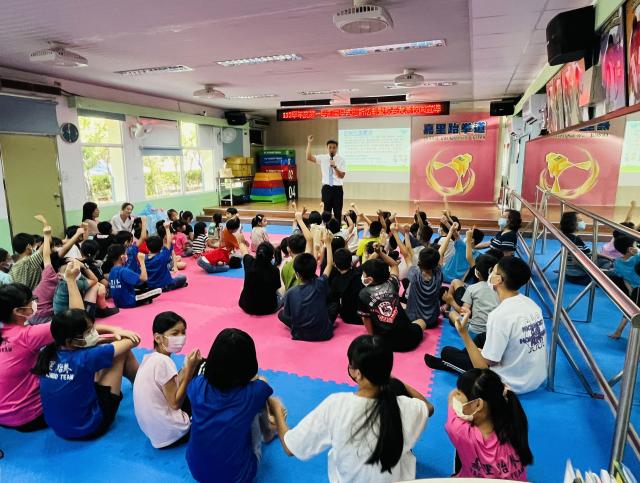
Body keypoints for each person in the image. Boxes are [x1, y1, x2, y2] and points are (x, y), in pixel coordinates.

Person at [268, 335, 433, 482]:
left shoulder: (336, 405)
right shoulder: (404, 405)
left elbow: (290, 448)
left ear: (357, 373)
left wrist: (277, 411)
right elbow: (429, 407)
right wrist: (389, 377)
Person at [33, 308, 140, 440]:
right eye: (89, 331)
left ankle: (137, 382)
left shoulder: (47, 352)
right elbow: (134, 340)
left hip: (58, 429)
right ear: (70, 341)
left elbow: (87, 339)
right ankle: (140, 385)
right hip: (90, 427)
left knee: (105, 352)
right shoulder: (85, 358)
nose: (93, 332)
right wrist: (118, 334)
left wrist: (111, 333)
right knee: (122, 353)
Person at [186, 328, 277, 483]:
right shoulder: (254, 393)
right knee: (255, 401)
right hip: (237, 477)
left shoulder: (197, 384)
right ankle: (268, 431)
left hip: (196, 470)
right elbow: (261, 383)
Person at [451, 257, 547, 394]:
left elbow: (484, 366)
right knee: (481, 339)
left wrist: (463, 333)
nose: (490, 273)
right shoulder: (532, 304)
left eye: (493, 271)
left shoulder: (499, 315)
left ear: (498, 279)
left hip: (510, 384)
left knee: (447, 353)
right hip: (535, 378)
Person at [446, 369, 531, 480]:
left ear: (478, 405)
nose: (456, 394)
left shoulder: (460, 431)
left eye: (459, 394)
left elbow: (451, 398)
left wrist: (456, 398)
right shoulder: (514, 420)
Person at [133, 311, 202, 449]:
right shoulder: (164, 362)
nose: (180, 337)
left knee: (192, 369)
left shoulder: (149, 358)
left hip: (156, 434)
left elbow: (170, 385)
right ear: (158, 338)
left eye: (183, 333)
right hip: (174, 433)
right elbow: (175, 404)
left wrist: (186, 368)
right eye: (175, 334)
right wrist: (189, 371)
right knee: (200, 374)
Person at [425, 254, 500, 372]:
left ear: (477, 272)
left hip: (475, 334)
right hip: (489, 336)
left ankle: (447, 364)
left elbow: (463, 313)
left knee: (452, 316)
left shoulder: (473, 288)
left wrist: (450, 301)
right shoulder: (500, 291)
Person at [358, 247, 428, 353]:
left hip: (384, 344)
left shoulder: (363, 294)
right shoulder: (393, 283)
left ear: (369, 279)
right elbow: (394, 265)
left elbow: (366, 319)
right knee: (422, 321)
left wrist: (372, 339)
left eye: (364, 274)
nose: (362, 276)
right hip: (410, 340)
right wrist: (380, 253)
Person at [278, 231, 335, 341]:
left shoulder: (290, 292)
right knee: (334, 306)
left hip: (299, 334)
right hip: (324, 334)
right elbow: (329, 265)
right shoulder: (320, 283)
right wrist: (328, 244)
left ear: (297, 274)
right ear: (315, 270)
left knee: (281, 314)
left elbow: (288, 315)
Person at [401, 223, 455, 329]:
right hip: (432, 320)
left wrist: (406, 233)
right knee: (444, 290)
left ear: (420, 261)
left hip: (414, 320)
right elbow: (441, 251)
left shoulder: (414, 273)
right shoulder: (438, 273)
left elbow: (407, 253)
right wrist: (450, 231)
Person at [306, 135, 346, 221]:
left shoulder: (341, 159)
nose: (332, 149)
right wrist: (309, 143)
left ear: (337, 148)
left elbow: (342, 175)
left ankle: (337, 228)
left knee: (338, 211)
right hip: (326, 188)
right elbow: (308, 157)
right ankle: (326, 228)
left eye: (334, 147)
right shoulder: (323, 158)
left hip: (337, 188)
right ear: (327, 148)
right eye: (330, 147)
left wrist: (335, 167)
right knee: (326, 212)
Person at [607, 236, 640, 339]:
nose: (637, 246)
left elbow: (625, 279)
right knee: (633, 312)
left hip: (635, 289)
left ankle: (618, 331)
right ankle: (620, 332)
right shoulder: (637, 258)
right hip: (638, 289)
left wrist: (630, 290)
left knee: (630, 310)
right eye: (635, 245)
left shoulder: (617, 262)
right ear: (630, 249)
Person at [238, 240, 282, 315]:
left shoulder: (249, 262)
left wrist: (241, 241)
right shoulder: (275, 270)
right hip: (268, 308)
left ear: (256, 253)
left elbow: (244, 251)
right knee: (283, 295)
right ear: (272, 256)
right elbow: (276, 287)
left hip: (247, 306)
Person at [9, 214, 49, 290]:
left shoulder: (13, 267)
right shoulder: (29, 261)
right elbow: (48, 243)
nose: (35, 248)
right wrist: (45, 222)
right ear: (28, 247)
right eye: (34, 245)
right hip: (33, 296)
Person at [329, 248, 365, 325]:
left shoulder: (336, 281)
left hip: (347, 317)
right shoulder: (359, 272)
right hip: (363, 316)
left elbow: (334, 302)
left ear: (335, 264)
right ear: (351, 261)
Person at [281, 212, 313, 291]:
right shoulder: (306, 261)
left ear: (288, 249)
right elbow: (310, 239)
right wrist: (300, 220)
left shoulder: (285, 266)